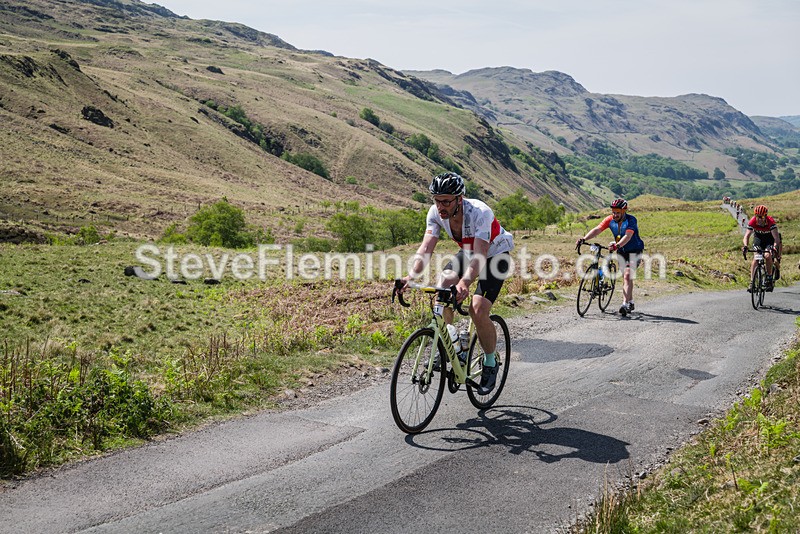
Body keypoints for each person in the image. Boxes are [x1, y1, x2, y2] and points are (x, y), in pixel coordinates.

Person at [398, 172, 514, 395]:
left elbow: (480, 255)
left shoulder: (480, 212)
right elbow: (426, 249)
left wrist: (465, 283)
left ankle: (490, 363)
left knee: (477, 310)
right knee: (443, 286)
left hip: (495, 254)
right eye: (436, 199)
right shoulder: (435, 213)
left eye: (446, 201)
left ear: (460, 199)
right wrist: (410, 277)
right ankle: (451, 343)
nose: (440, 205)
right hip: (469, 252)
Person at [575, 198, 645, 315]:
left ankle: (625, 304)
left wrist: (616, 245)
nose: (615, 214)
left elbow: (627, 236)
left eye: (617, 212)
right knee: (626, 277)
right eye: (613, 212)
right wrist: (584, 238)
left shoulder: (631, 220)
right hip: (622, 251)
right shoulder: (610, 220)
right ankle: (631, 301)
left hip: (635, 250)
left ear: (624, 211)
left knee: (627, 275)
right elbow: (598, 229)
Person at [742, 205, 781, 292]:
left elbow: (776, 238)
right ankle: (752, 282)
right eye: (757, 216)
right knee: (756, 258)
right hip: (758, 239)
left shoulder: (771, 222)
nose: (759, 219)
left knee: (767, 256)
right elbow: (746, 236)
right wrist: (745, 246)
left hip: (769, 240)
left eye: (762, 217)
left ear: (765, 216)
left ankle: (769, 277)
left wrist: (774, 248)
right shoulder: (753, 221)